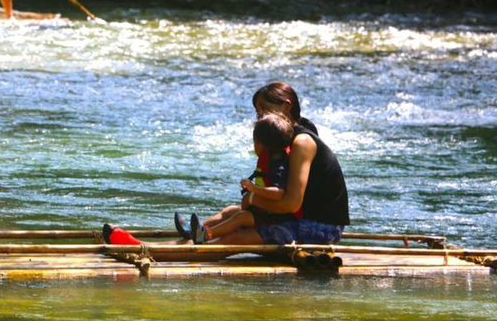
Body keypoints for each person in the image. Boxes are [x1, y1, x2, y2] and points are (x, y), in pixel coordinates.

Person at [104, 82, 349, 250]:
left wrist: (253, 201)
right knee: (233, 211)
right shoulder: (285, 137)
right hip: (298, 218)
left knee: (236, 236)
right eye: (257, 112)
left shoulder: (302, 142)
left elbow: (291, 203)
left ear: (286, 105)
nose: (260, 117)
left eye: (264, 110)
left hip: (320, 229)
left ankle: (159, 251)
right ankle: (182, 241)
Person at [182, 113, 297, 244]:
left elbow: (279, 194)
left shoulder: (279, 166)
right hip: (264, 210)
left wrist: (253, 188)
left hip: (274, 218)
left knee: (241, 217)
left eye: (255, 142)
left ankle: (206, 235)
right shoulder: (271, 160)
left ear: (264, 145)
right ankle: (193, 231)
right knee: (229, 210)